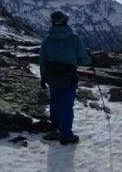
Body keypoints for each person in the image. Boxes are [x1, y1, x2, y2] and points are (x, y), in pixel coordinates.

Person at [39, 10, 92, 145]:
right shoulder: (74, 38)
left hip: (52, 76)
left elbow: (43, 60)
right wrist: (90, 61)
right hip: (69, 76)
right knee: (67, 105)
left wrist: (43, 77)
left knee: (55, 102)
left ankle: (55, 129)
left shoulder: (47, 40)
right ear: (66, 21)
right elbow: (84, 59)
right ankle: (66, 134)